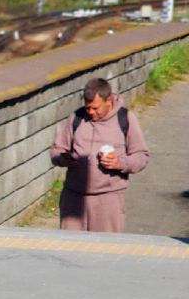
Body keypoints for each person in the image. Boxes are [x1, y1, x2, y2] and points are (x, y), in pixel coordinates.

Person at [49, 76, 149, 232]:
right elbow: (56, 149)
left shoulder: (125, 118)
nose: (90, 112)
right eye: (87, 108)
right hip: (73, 198)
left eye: (95, 108)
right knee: (69, 245)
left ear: (108, 100)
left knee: (105, 245)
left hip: (108, 199)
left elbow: (141, 156)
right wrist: (62, 159)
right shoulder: (77, 117)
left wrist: (120, 163)